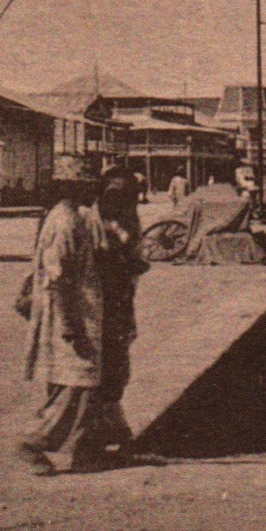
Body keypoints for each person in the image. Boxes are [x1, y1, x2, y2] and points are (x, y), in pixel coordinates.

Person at [19, 156, 110, 475]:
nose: (94, 192)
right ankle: (34, 442)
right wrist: (73, 330)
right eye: (88, 186)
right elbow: (57, 279)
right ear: (73, 187)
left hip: (80, 312)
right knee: (74, 384)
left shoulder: (73, 216)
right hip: (68, 316)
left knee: (82, 385)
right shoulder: (66, 221)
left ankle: (85, 451)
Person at [85, 165, 148, 457]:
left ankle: (112, 429)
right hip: (96, 303)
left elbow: (133, 256)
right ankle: (101, 434)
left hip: (120, 301)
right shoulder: (89, 222)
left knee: (116, 368)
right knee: (101, 369)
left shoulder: (129, 222)